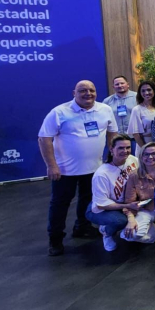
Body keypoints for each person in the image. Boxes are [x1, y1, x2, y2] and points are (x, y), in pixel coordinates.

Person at [39, 80, 119, 256]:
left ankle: (82, 227)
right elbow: (44, 138)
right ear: (73, 92)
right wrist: (51, 165)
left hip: (94, 169)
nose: (88, 93)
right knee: (60, 204)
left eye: (92, 90)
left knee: (87, 200)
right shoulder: (59, 112)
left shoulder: (104, 110)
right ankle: (55, 239)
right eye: (83, 90)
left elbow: (112, 133)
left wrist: (113, 155)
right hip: (65, 171)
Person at [86, 134, 138, 252]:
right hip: (102, 208)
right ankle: (106, 232)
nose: (125, 151)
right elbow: (101, 204)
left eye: (128, 147)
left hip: (124, 203)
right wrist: (128, 206)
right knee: (120, 221)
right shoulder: (102, 174)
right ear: (111, 149)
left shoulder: (132, 160)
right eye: (120, 148)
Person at [128, 81, 155, 149]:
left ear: (154, 91)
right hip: (145, 144)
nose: (146, 93)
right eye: (143, 91)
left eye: (149, 90)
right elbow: (135, 134)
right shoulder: (137, 109)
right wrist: (145, 148)